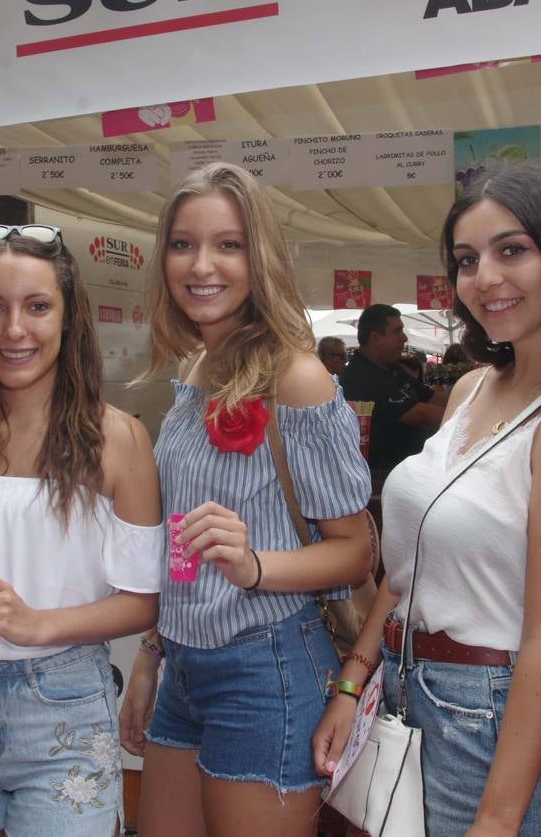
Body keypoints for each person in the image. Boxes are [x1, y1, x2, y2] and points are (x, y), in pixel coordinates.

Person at [314, 163, 541, 836]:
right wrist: (354, 681)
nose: (486, 276)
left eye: (511, 250)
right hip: (405, 695)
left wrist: (496, 818)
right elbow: (405, 575)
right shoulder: (471, 389)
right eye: (467, 259)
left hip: (492, 718)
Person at [119, 163, 374, 836]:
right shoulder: (192, 370)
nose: (202, 265)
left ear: (259, 257)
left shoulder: (297, 376)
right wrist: (150, 656)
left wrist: (255, 564)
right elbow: (180, 537)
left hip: (267, 667)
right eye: (183, 244)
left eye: (228, 244)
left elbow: (356, 551)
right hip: (184, 663)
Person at [0, 224, 163, 836]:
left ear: (70, 319)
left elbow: (143, 600)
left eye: (37, 307)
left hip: (62, 702)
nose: (13, 330)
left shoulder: (116, 438)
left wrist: (38, 624)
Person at [339, 303, 444, 474]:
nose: (404, 338)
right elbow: (423, 415)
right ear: (375, 338)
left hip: (407, 470)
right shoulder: (362, 375)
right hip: (383, 476)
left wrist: (471, 398)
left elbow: (432, 397)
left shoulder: (391, 368)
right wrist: (475, 415)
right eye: (397, 331)